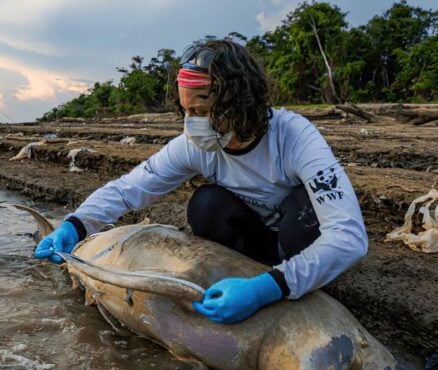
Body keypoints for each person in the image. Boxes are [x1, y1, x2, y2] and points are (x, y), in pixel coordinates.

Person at [35, 39, 368, 324]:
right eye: (187, 112)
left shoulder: (294, 137)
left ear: (241, 102)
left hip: (295, 241)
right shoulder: (195, 145)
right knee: (206, 204)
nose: (194, 124)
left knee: (304, 208)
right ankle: (247, 277)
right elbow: (129, 189)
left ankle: (287, 280)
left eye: (204, 110)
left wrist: (268, 288)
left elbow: (349, 236)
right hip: (253, 243)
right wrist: (75, 225)